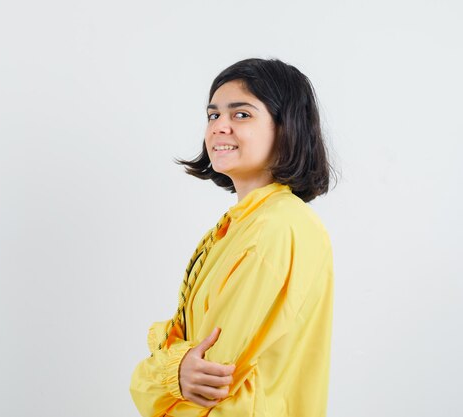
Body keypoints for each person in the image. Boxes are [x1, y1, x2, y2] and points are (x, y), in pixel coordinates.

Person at [129, 58, 336, 417]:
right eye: (213, 115)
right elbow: (187, 367)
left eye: (241, 114)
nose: (219, 127)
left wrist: (151, 372)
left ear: (286, 128)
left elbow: (209, 379)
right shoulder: (237, 227)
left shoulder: (275, 228)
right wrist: (172, 367)